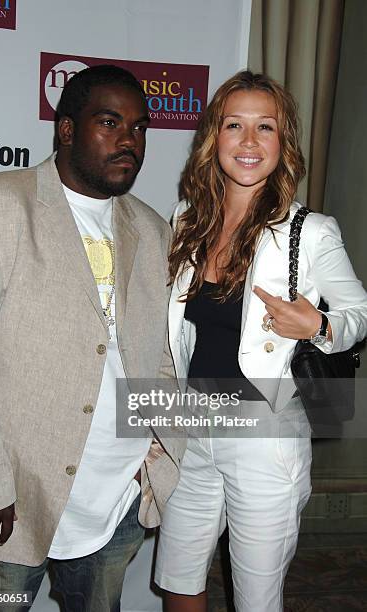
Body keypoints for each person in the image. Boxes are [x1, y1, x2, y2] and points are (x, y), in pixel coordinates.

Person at [0, 64, 185, 612]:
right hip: (12, 499)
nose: (128, 141)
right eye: (109, 122)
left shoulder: (154, 230)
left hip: (116, 500)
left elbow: (160, 354)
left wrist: (155, 454)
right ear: (66, 129)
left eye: (138, 128)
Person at [154, 70, 367, 611]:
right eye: (234, 125)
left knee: (255, 596)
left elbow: (358, 313)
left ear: (283, 142)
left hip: (264, 435)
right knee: (177, 579)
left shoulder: (310, 232)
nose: (249, 142)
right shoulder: (186, 222)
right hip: (191, 424)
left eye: (265, 127)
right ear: (214, 138)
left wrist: (317, 327)